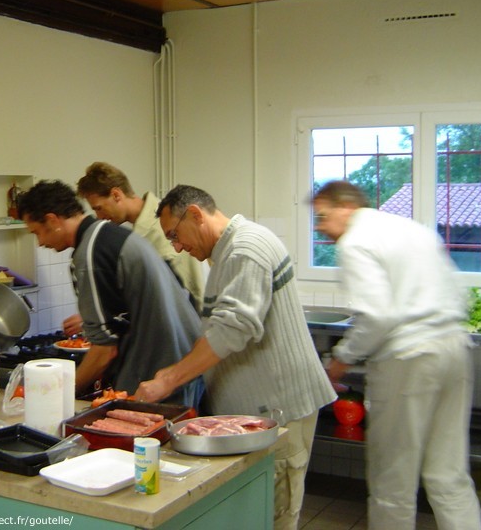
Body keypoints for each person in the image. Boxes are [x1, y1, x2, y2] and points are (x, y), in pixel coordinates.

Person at [135, 184, 335, 530]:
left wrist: (167, 379)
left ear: (195, 215)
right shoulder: (230, 251)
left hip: (280, 410)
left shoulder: (245, 249)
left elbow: (232, 329)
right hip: (261, 413)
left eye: (175, 235)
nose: (178, 247)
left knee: (275, 516)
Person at [312, 180, 481, 530]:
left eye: (323, 217)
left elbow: (377, 315)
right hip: (454, 349)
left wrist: (340, 359)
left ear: (346, 206)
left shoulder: (357, 241)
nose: (321, 228)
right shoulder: (413, 230)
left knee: (393, 480)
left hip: (408, 359)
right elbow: (457, 294)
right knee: (448, 474)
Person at [17, 180, 203, 407]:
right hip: (185, 362)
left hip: (158, 372)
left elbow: (105, 351)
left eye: (37, 232)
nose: (40, 243)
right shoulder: (111, 235)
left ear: (53, 220)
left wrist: (61, 395)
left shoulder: (90, 253)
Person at [76, 162, 205, 313]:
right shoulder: (146, 226)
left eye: (99, 208)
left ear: (116, 195)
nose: (99, 217)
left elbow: (178, 296)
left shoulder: (159, 229)